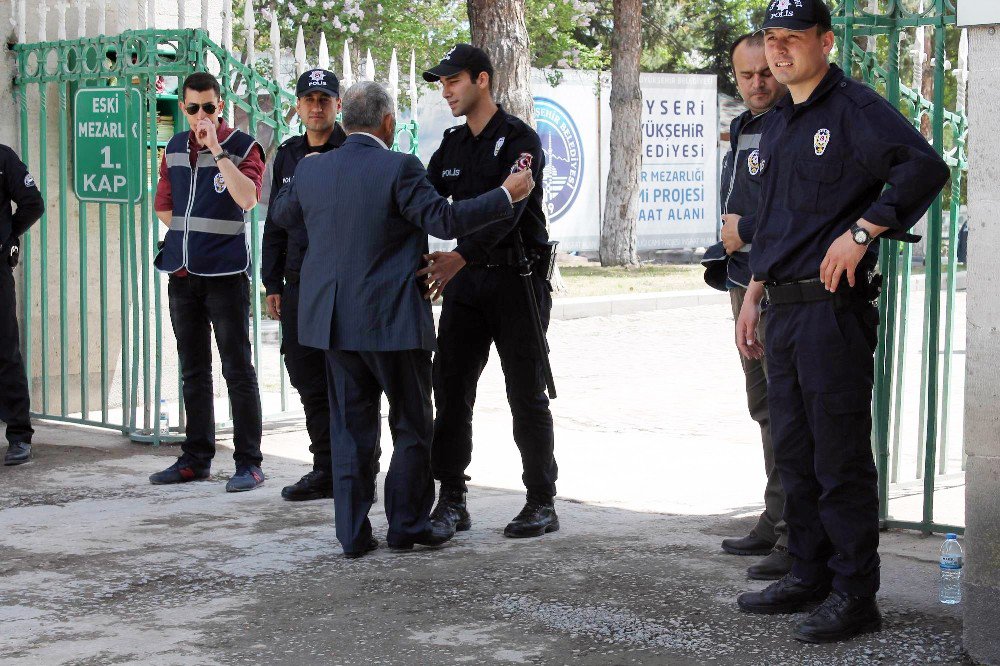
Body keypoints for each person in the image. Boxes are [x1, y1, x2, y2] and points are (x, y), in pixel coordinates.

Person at [733, 0, 950, 643]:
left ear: (825, 42)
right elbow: (776, 222)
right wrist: (753, 293)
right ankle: (808, 574)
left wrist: (864, 229)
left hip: (833, 311)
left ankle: (856, 594)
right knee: (795, 454)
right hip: (782, 308)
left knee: (839, 459)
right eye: (772, 39)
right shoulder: (778, 122)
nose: (778, 51)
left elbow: (924, 167)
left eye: (791, 38)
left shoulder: (854, 109)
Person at [270, 81, 536, 559]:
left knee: (350, 431)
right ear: (388, 122)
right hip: (391, 321)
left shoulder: (311, 169)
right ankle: (407, 524)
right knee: (412, 425)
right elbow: (446, 221)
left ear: (345, 120)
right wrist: (506, 193)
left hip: (332, 322)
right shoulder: (399, 166)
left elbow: (285, 216)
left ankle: (352, 535)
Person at [420, 44, 559, 539]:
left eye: (453, 80)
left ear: (482, 80)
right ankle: (452, 499)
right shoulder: (452, 144)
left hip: (516, 279)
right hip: (468, 284)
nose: (447, 90)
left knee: (526, 392)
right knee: (451, 387)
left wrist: (461, 256)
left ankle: (541, 500)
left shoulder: (520, 139)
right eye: (442, 82)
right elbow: (424, 199)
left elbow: (511, 209)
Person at [149, 72, 268, 493]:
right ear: (182, 108)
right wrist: (190, 237)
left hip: (225, 276)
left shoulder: (244, 146)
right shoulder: (174, 148)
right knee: (193, 370)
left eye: (210, 107)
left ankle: (249, 463)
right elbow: (164, 205)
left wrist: (217, 150)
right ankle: (196, 458)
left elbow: (248, 199)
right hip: (182, 273)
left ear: (221, 106)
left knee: (237, 368)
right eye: (193, 108)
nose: (201, 115)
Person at [702, 32, 792, 581]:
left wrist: (749, 233)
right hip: (743, 280)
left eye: (766, 73)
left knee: (790, 410)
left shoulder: (796, 124)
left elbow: (801, 211)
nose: (758, 84)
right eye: (747, 75)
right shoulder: (742, 126)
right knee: (763, 407)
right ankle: (775, 516)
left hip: (783, 284)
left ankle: (793, 534)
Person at [262, 68, 351, 502]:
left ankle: (352, 467)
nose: (317, 107)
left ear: (337, 106)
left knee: (344, 375)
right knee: (303, 371)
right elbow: (274, 223)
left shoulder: (350, 150)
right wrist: (270, 281)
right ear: (297, 107)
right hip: (297, 280)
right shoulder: (289, 154)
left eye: (325, 99)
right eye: (309, 99)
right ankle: (325, 468)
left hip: (340, 280)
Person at [0, 144, 44, 466]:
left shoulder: (3, 158)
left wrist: (8, 236)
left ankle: (18, 436)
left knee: (5, 352)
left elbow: (33, 204)